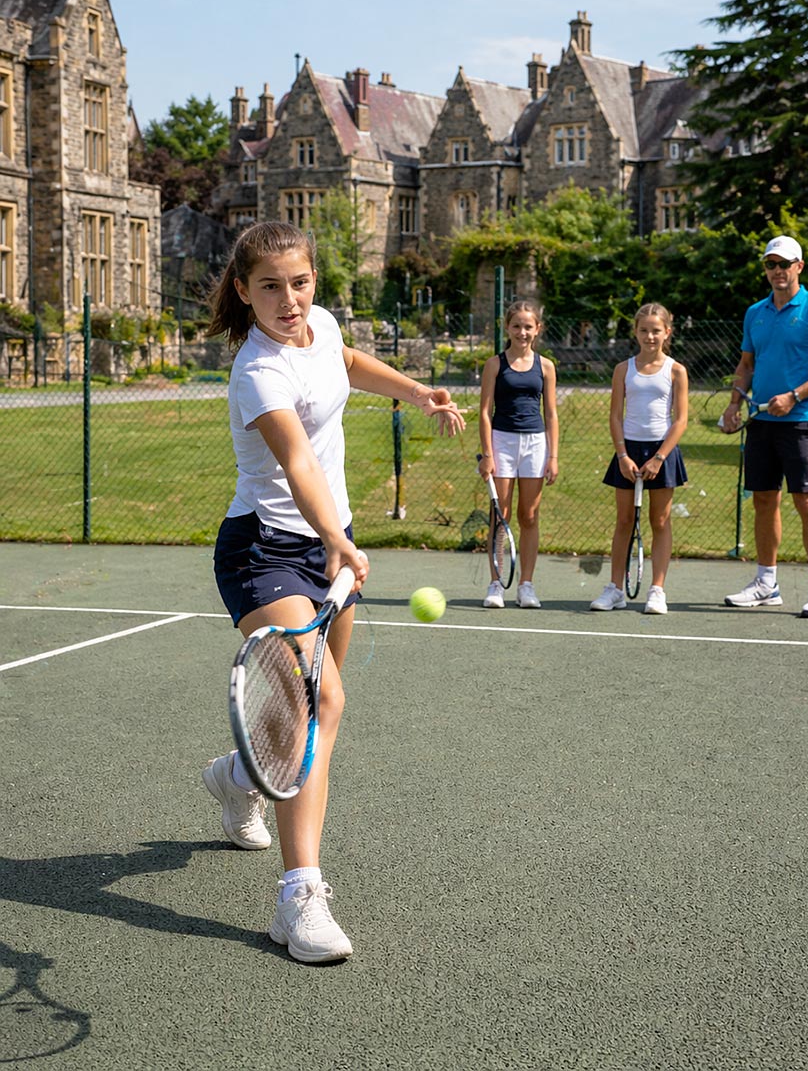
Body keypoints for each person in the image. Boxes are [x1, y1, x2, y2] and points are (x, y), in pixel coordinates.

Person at [201, 221, 464, 964]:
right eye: (270, 287)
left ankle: (236, 777)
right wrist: (335, 538)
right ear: (243, 291)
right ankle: (299, 898)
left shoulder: (319, 324)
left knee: (299, 715)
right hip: (266, 551)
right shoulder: (257, 371)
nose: (290, 300)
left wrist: (416, 392)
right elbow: (297, 463)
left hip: (328, 544)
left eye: (300, 282)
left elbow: (343, 361)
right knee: (320, 701)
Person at [721, 234, 808, 618]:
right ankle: (766, 584)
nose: (777, 271)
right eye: (770, 264)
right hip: (760, 422)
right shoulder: (755, 313)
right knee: (763, 500)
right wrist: (734, 404)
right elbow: (746, 365)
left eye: (784, 264)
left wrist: (794, 395)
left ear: (799, 267)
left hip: (801, 421)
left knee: (807, 502)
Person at [591, 303, 688, 616]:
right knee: (624, 521)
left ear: (667, 332)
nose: (650, 336)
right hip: (628, 452)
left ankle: (657, 590)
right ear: (635, 332)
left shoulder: (676, 370)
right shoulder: (623, 369)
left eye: (656, 331)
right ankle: (615, 589)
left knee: (660, 521)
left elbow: (680, 420)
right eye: (644, 330)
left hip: (662, 453)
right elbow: (615, 416)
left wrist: (660, 457)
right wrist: (622, 455)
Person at [478, 300, 558, 609]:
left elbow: (551, 414)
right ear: (507, 328)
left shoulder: (546, 366)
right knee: (501, 515)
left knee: (530, 515)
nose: (522, 332)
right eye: (516, 326)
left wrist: (553, 456)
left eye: (528, 326)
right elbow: (485, 412)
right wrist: (488, 454)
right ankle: (497, 583)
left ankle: (526, 585)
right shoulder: (494, 365)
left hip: (535, 445)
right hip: (502, 442)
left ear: (538, 329)